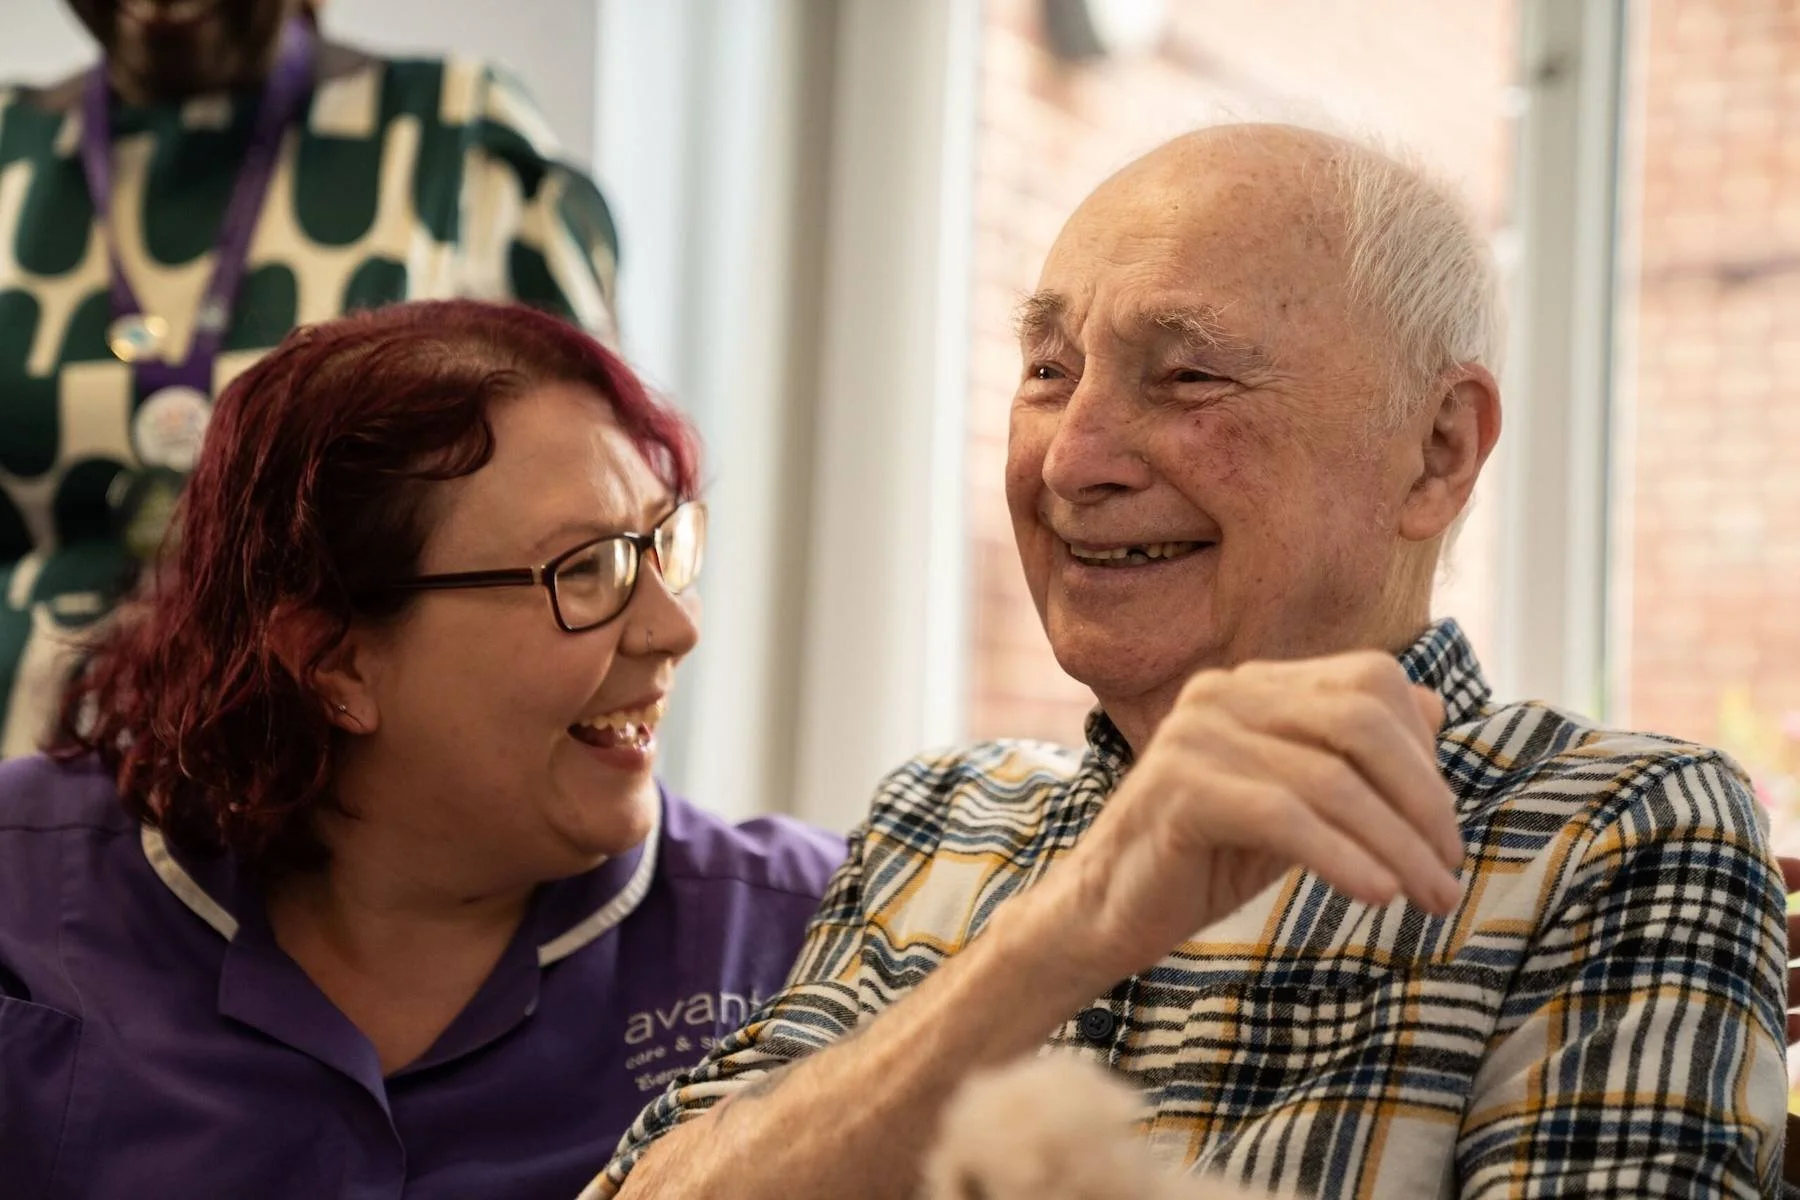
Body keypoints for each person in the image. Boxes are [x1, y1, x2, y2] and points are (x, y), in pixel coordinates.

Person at [591, 125, 1788, 1199]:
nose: (1071, 461)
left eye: (1189, 375)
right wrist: (1074, 927)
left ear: (1437, 450)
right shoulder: (944, 818)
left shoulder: (1615, 829)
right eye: (1048, 372)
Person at [0, 300, 844, 1199]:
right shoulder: (24, 895)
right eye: (584, 569)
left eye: (660, 547)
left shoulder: (814, 937)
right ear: (335, 662)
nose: (673, 630)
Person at [0, 0, 623, 756]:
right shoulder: (9, 149)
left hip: (342, 794)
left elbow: (596, 526)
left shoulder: (456, 141)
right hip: (25, 776)